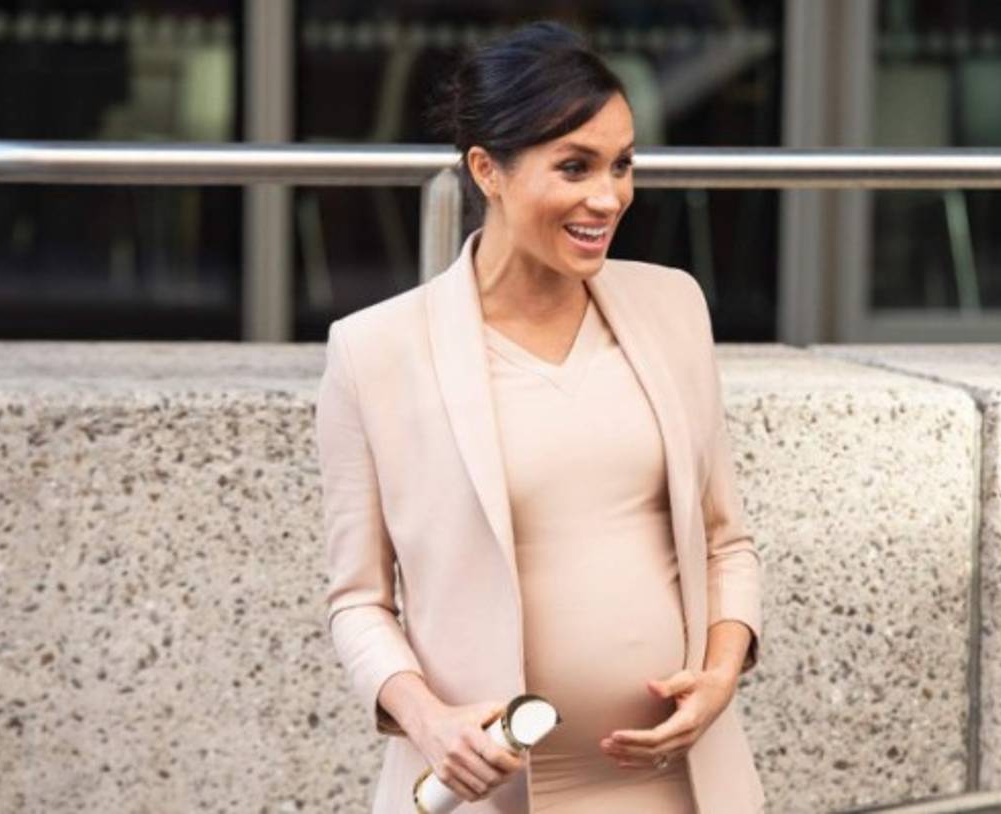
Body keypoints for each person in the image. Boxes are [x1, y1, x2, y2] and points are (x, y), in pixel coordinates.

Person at [315, 21, 764, 814]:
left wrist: (722, 673)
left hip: (677, 787)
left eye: (623, 164)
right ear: (487, 170)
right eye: (575, 166)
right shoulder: (374, 351)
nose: (609, 197)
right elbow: (358, 600)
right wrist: (429, 722)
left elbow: (726, 539)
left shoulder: (673, 306)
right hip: (491, 795)